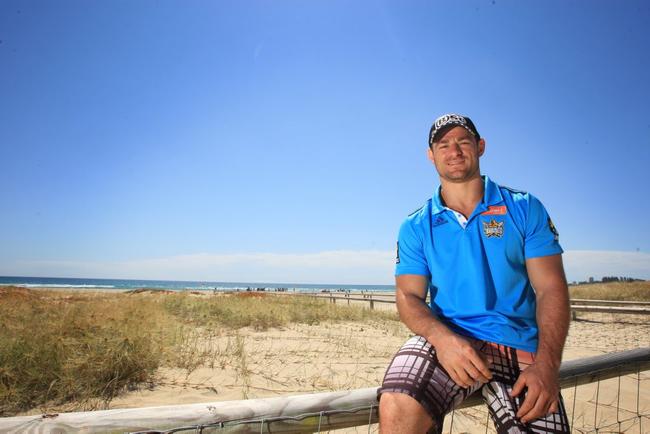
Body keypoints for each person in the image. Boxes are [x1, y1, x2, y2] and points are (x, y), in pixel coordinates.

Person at [378, 114, 571, 434]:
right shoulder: (415, 225)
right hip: (449, 338)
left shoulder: (524, 207)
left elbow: (551, 288)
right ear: (431, 155)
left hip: (518, 344)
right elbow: (408, 295)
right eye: (443, 145)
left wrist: (547, 366)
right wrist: (442, 339)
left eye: (463, 142)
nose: (454, 151)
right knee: (398, 403)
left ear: (480, 147)